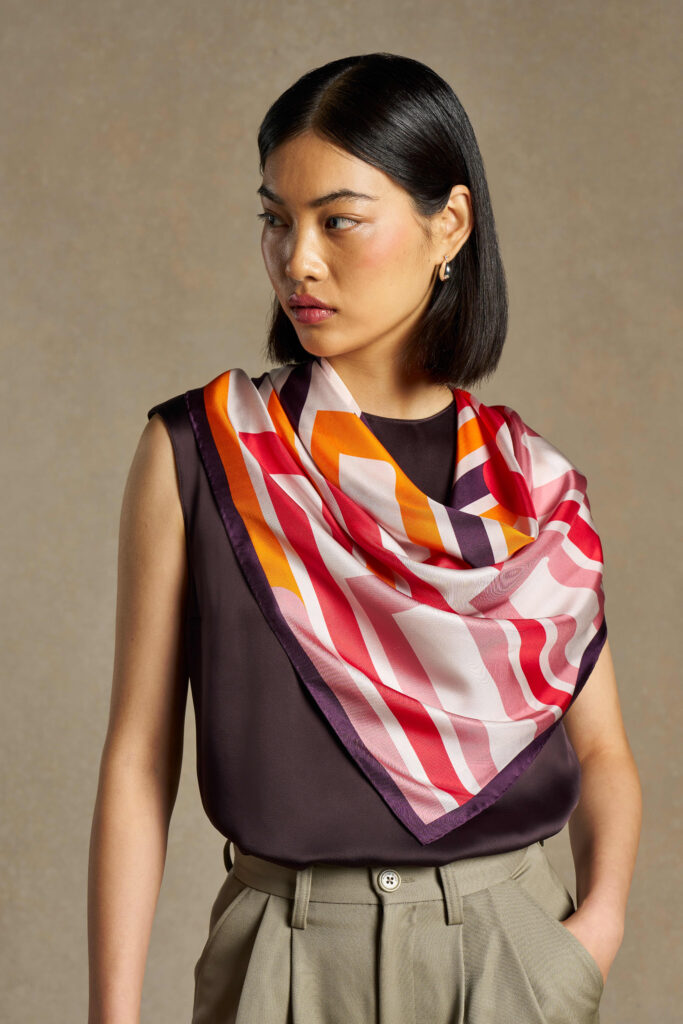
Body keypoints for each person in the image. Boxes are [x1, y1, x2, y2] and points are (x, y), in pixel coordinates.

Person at [87, 52, 642, 1024]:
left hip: (507, 952)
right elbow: (138, 759)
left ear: (449, 226)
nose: (296, 259)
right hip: (282, 959)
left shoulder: (530, 489)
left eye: (337, 220)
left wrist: (590, 933)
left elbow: (600, 752)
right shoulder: (205, 452)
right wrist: (111, 1014)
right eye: (276, 220)